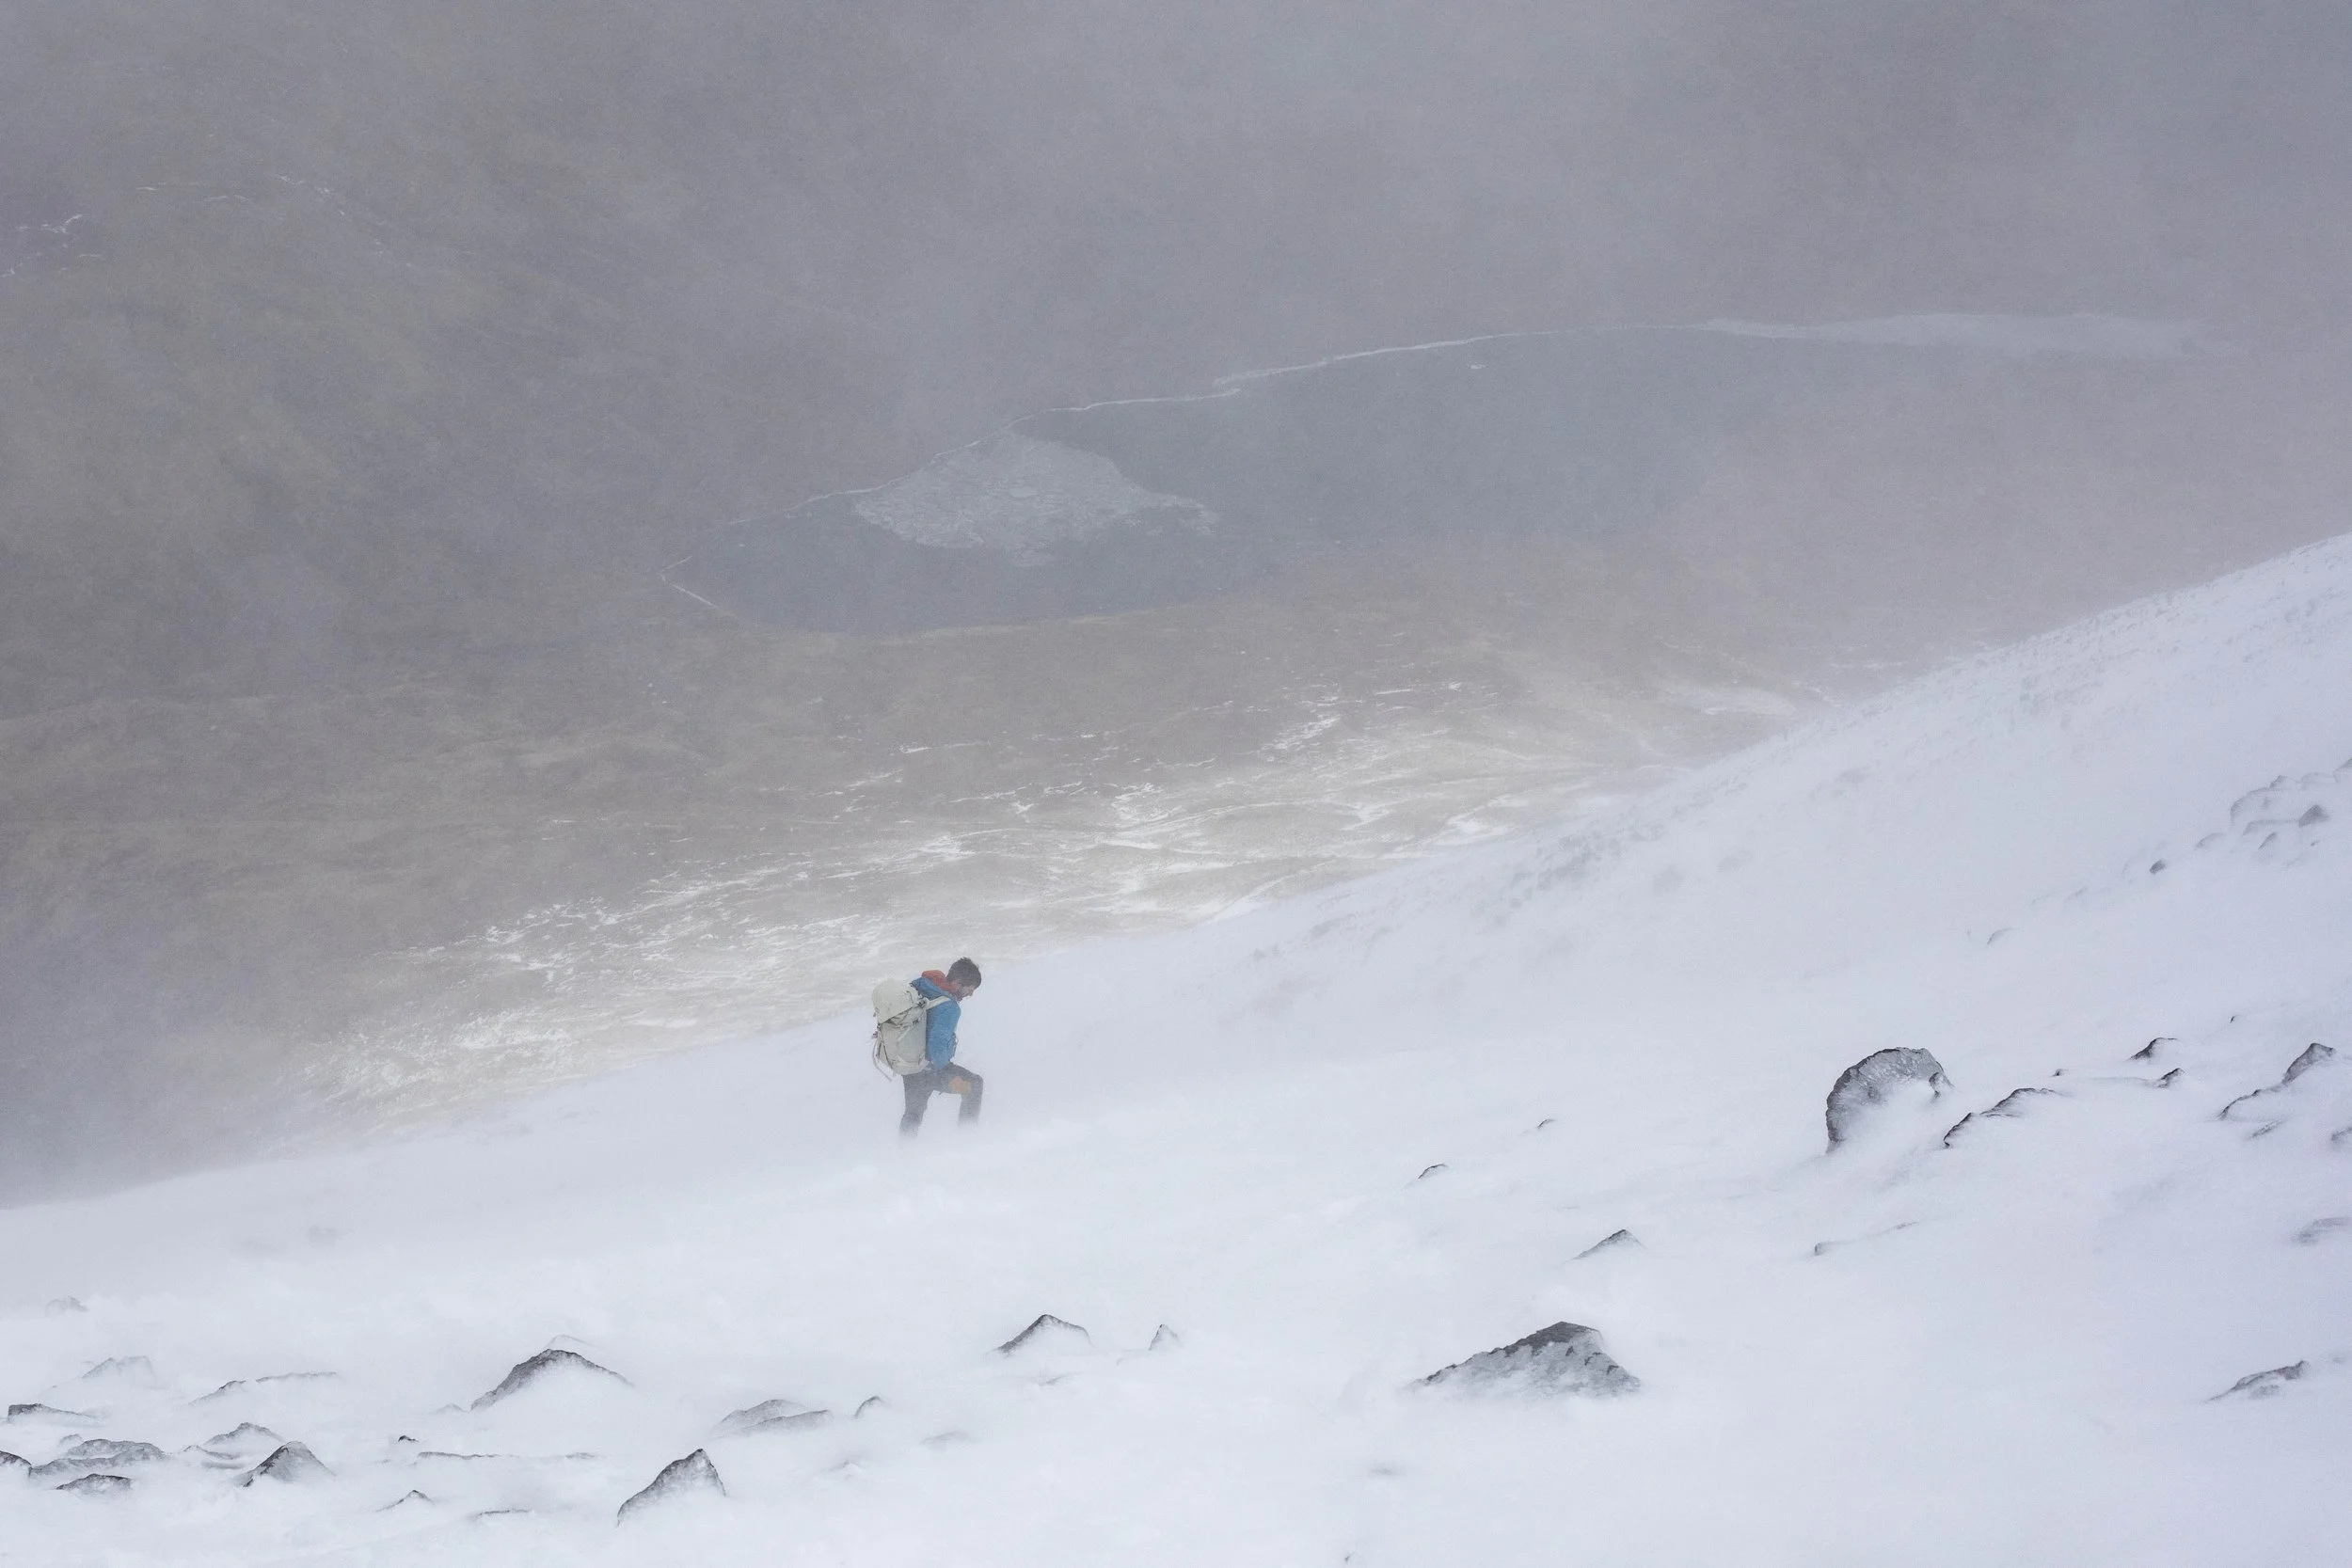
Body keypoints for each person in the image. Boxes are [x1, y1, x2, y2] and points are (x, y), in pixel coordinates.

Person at [899, 957, 983, 1135]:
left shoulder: (925, 990)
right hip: (933, 1069)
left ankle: (904, 1155)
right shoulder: (950, 1007)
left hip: (911, 1066)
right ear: (959, 983)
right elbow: (937, 1043)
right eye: (971, 988)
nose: (971, 994)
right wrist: (947, 1074)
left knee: (913, 1115)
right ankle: (968, 1140)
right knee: (975, 1085)